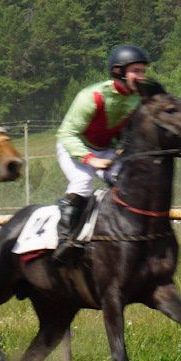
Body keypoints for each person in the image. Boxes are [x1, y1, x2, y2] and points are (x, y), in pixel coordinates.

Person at [52, 44, 152, 257]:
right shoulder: (92, 96)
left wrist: (124, 149)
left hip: (104, 150)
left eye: (143, 72)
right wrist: (90, 159)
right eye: (136, 71)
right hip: (73, 148)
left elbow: (128, 132)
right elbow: (67, 134)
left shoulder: (137, 99)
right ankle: (65, 240)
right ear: (119, 72)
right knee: (82, 182)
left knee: (128, 181)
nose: (141, 77)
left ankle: (127, 236)